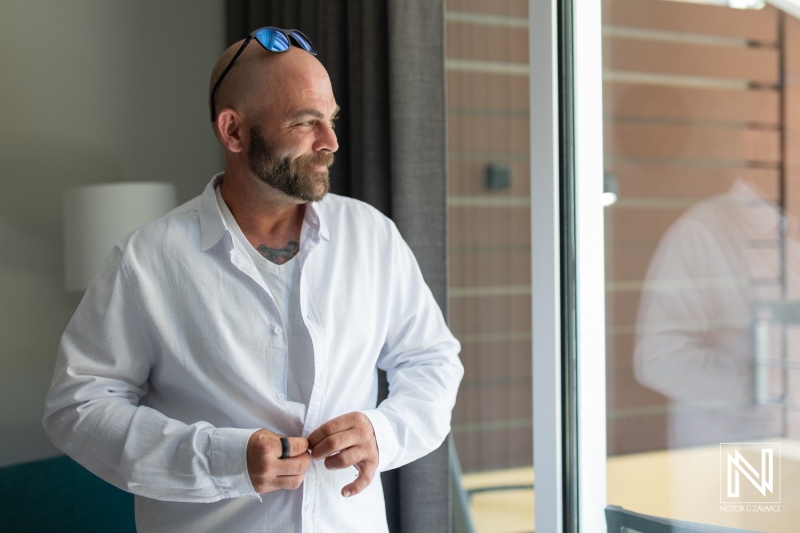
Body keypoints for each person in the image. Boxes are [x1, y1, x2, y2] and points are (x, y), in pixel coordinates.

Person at [43, 27, 463, 533]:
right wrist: (222, 460)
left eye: (330, 120)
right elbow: (78, 407)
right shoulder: (147, 262)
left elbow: (431, 361)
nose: (330, 142)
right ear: (234, 132)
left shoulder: (372, 237)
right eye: (306, 122)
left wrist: (384, 431)